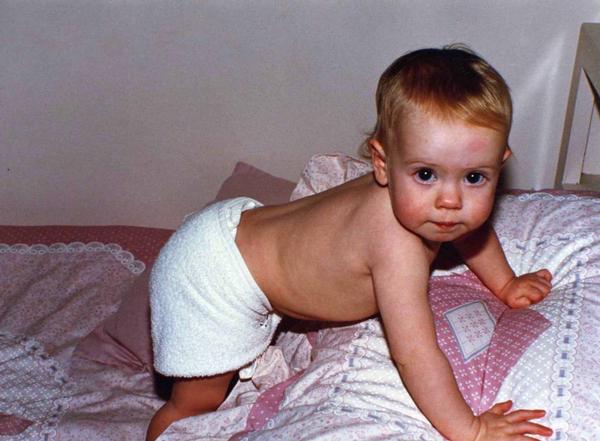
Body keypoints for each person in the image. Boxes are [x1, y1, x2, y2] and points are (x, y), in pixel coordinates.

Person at [146, 45, 554, 441]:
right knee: (195, 403)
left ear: (498, 165)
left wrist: (506, 283)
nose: (451, 201)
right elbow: (415, 355)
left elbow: (471, 231)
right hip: (214, 278)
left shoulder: (418, 200)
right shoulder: (397, 247)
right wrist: (472, 430)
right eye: (427, 175)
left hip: (231, 231)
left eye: (474, 177)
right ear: (382, 163)